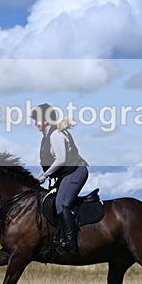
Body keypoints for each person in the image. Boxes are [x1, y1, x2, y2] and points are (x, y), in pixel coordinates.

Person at [32, 103, 89, 255]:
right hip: (67, 173)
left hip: (76, 172)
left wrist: (44, 176)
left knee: (61, 203)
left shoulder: (55, 134)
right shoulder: (47, 136)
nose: (35, 123)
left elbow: (61, 159)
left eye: (37, 119)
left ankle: (71, 243)